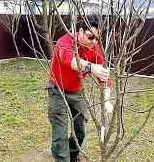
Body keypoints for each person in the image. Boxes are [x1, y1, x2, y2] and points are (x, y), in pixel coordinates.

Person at [47, 18, 114, 162]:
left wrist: (107, 99)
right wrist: (91, 68)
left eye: (97, 39)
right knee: (60, 131)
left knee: (80, 129)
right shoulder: (64, 42)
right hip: (58, 91)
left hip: (77, 92)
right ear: (81, 31)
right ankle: (61, 160)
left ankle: (72, 154)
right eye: (91, 37)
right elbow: (69, 60)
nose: (94, 42)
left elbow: (104, 76)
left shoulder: (94, 48)